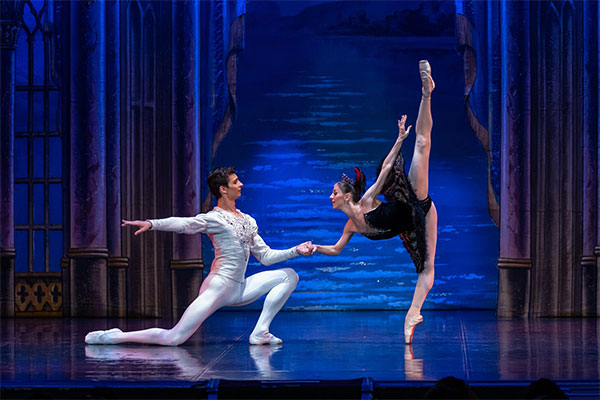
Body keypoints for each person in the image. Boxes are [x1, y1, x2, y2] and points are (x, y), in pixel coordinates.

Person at [85, 167, 314, 346]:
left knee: (289, 276)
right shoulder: (214, 219)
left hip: (239, 288)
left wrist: (296, 250)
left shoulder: (248, 220)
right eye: (236, 182)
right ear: (223, 189)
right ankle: (114, 337)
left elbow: (265, 256)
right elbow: (184, 224)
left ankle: (260, 332)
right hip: (219, 286)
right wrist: (152, 224)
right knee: (174, 338)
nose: (241, 184)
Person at [313, 60, 437, 344]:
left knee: (421, 144)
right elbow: (334, 250)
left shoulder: (366, 201)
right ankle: (412, 315)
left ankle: (426, 92)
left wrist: (399, 139)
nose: (330, 197)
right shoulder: (350, 226)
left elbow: (384, 173)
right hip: (421, 221)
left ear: (347, 196)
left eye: (333, 192)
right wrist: (312, 248)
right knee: (426, 269)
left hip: (416, 202)